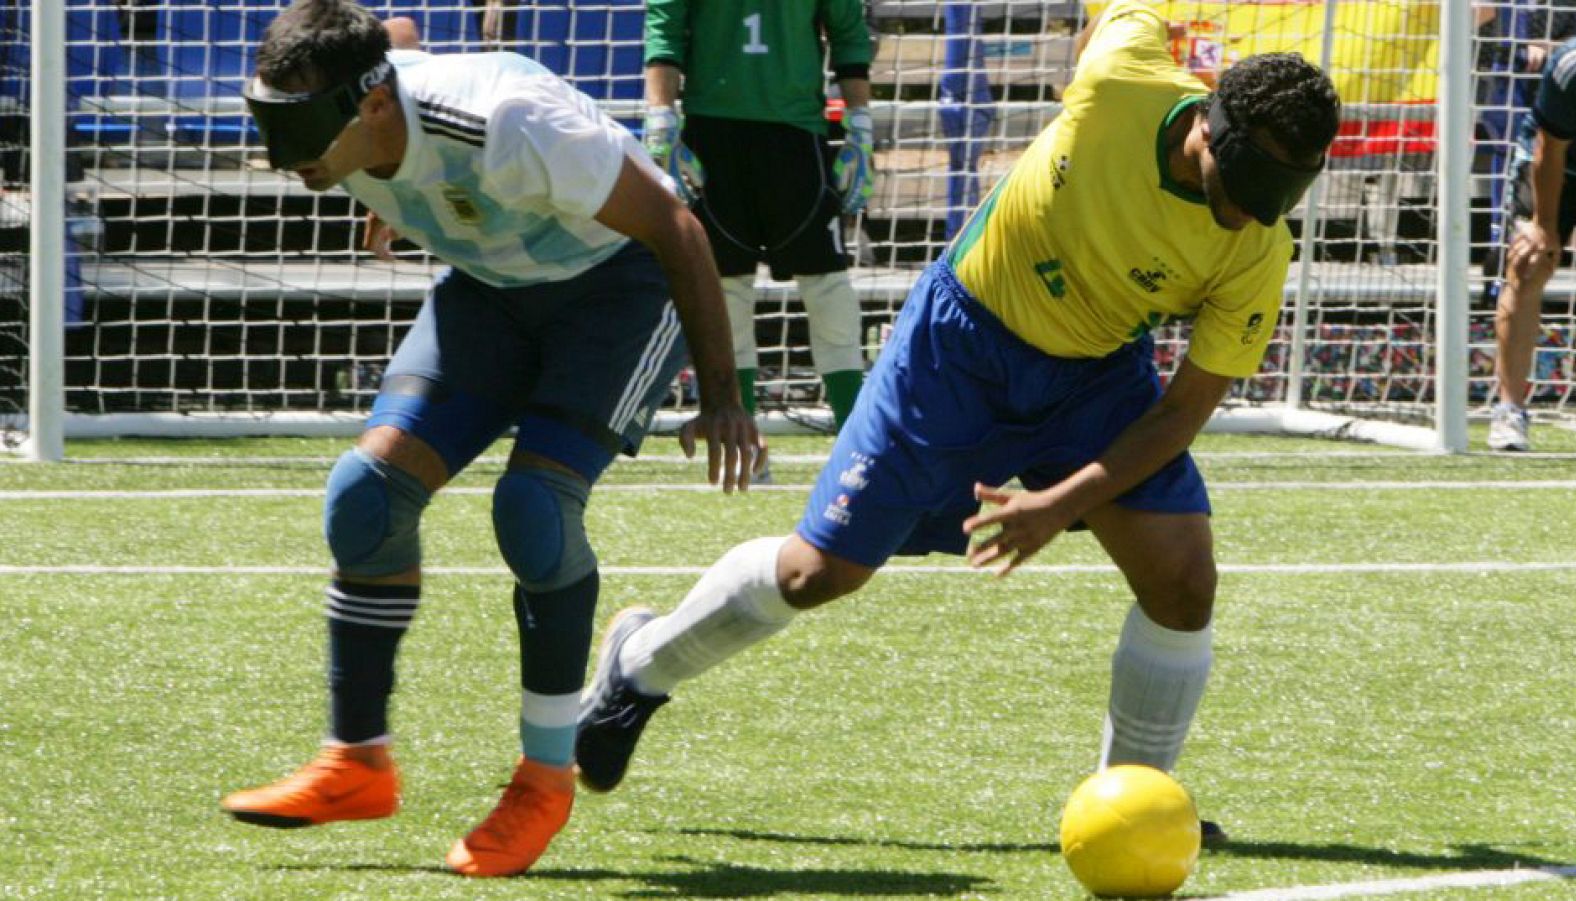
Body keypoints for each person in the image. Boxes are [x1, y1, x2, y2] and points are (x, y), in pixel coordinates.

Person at [574, 0, 1339, 840]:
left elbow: (1182, 412)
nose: (1249, 215)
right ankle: (638, 665)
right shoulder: (1119, 79)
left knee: (1185, 581)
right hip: (959, 343)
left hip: (1095, 381)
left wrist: (1063, 499)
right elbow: (1126, 14)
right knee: (815, 573)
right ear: (1206, 128)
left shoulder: (1258, 246)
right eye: (1244, 189)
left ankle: (1137, 800)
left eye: (1276, 200)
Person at [220, 0, 763, 879]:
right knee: (365, 500)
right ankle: (356, 760)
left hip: (617, 292)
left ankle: (544, 780)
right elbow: (393, 42)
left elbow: (676, 227)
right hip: (489, 288)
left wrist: (726, 395)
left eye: (303, 128)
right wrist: (401, 192)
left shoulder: (511, 124)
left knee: (534, 511)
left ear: (372, 106)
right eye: (269, 121)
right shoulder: (360, 117)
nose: (287, 155)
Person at [643, 0, 875, 466]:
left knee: (829, 286)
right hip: (714, 131)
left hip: (796, 135)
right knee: (726, 288)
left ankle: (858, 445)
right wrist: (660, 119)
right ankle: (741, 437)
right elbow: (664, 26)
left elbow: (848, 30)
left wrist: (861, 127)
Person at [1490, 27, 1576, 451]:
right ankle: (1509, 410)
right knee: (1530, 262)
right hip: (1561, 164)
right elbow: (1549, 150)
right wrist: (1544, 226)